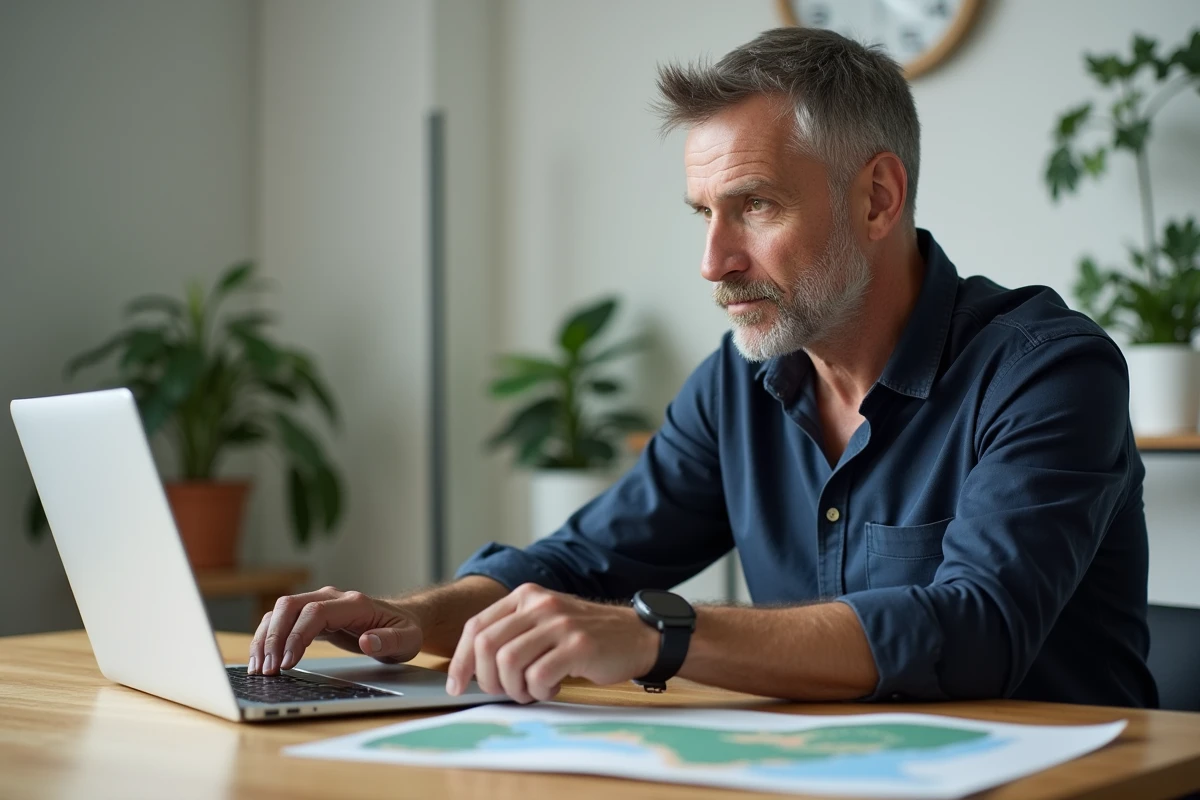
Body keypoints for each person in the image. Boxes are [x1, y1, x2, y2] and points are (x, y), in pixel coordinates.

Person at [248, 27, 1157, 708]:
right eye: (703, 213)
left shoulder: (1048, 372)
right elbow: (585, 561)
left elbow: (977, 627)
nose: (713, 262)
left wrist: (659, 637)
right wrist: (415, 616)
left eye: (754, 205)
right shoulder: (741, 381)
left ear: (878, 198)